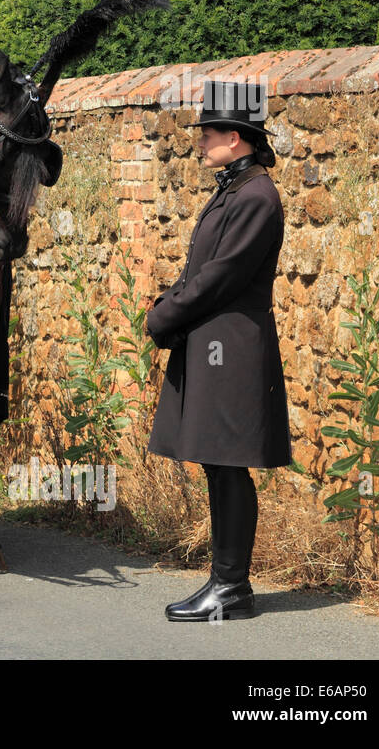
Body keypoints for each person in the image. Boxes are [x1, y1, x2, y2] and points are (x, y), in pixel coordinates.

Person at [146, 80, 289, 622]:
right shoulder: (236, 189)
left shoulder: (256, 196)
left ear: (236, 137)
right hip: (216, 342)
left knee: (228, 465)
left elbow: (219, 276)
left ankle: (231, 587)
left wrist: (165, 315)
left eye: (208, 133)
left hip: (233, 346)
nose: (201, 141)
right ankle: (227, 585)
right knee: (217, 462)